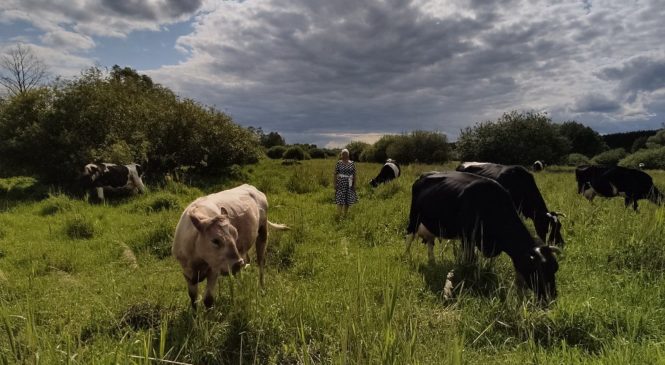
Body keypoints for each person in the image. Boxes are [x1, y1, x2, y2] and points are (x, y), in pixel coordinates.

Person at [334, 148, 358, 215]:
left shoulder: (352, 163)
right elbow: (335, 174)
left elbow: (354, 174)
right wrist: (335, 184)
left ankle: (345, 214)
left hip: (349, 184)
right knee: (340, 199)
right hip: (341, 184)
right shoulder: (339, 163)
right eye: (343, 154)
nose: (344, 156)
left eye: (346, 154)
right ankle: (339, 214)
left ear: (348, 155)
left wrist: (354, 184)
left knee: (347, 200)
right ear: (341, 155)